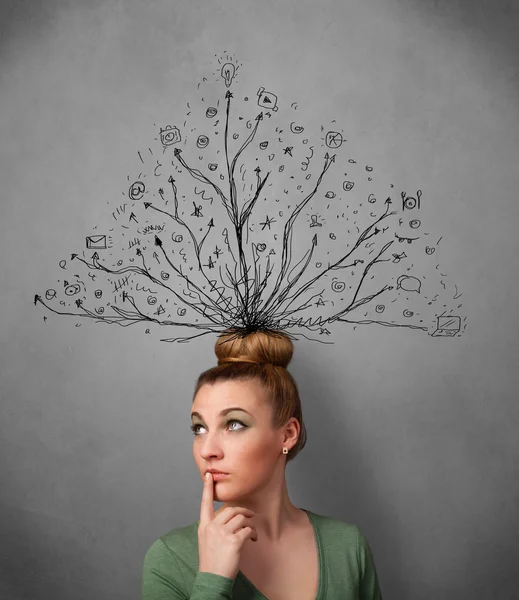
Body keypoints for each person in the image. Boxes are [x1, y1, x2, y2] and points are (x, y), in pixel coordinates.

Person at [142, 328, 383, 599]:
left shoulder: (347, 546)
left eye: (234, 424)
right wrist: (212, 579)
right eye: (199, 428)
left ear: (288, 434)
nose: (207, 449)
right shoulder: (171, 557)